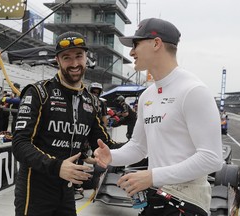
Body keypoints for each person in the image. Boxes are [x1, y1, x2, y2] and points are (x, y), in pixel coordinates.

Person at [94, 18, 223, 216]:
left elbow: (212, 158)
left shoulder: (193, 90)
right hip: (156, 197)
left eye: (136, 44)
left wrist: (152, 176)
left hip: (187, 202)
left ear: (156, 43)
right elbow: (138, 146)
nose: (131, 52)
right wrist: (112, 156)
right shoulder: (148, 95)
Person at [12, 31, 121, 216]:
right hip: (36, 189)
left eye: (79, 56)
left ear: (87, 57)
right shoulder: (39, 93)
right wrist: (57, 166)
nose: (74, 63)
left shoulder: (92, 101)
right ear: (57, 60)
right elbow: (20, 144)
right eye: (67, 57)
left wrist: (145, 146)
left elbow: (105, 145)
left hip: (67, 190)